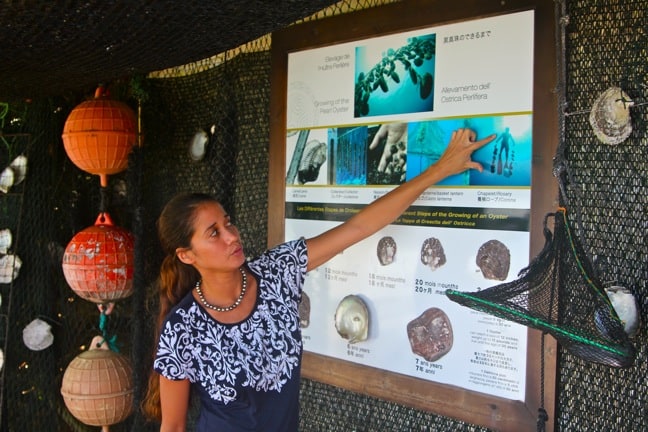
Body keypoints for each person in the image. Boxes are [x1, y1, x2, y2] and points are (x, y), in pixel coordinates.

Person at [142, 128, 495, 431]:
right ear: (187, 255)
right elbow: (172, 426)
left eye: (228, 222)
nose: (232, 236)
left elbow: (359, 226)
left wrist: (439, 170)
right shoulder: (182, 328)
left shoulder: (277, 272)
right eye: (214, 233)